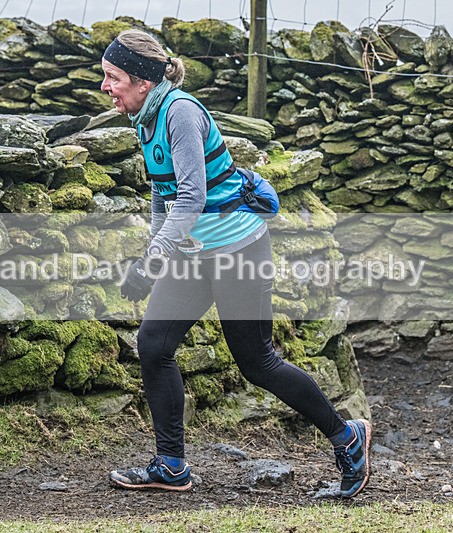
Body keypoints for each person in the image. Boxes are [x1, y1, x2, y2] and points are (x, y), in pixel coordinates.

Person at [100, 30, 371, 498]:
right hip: (193, 254)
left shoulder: (179, 112)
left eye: (113, 77)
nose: (106, 87)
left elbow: (193, 195)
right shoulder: (144, 117)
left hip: (237, 249)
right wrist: (155, 253)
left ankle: (349, 439)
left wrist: (153, 258)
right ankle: (171, 466)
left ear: (143, 81)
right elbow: (161, 193)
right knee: (153, 343)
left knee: (258, 362)